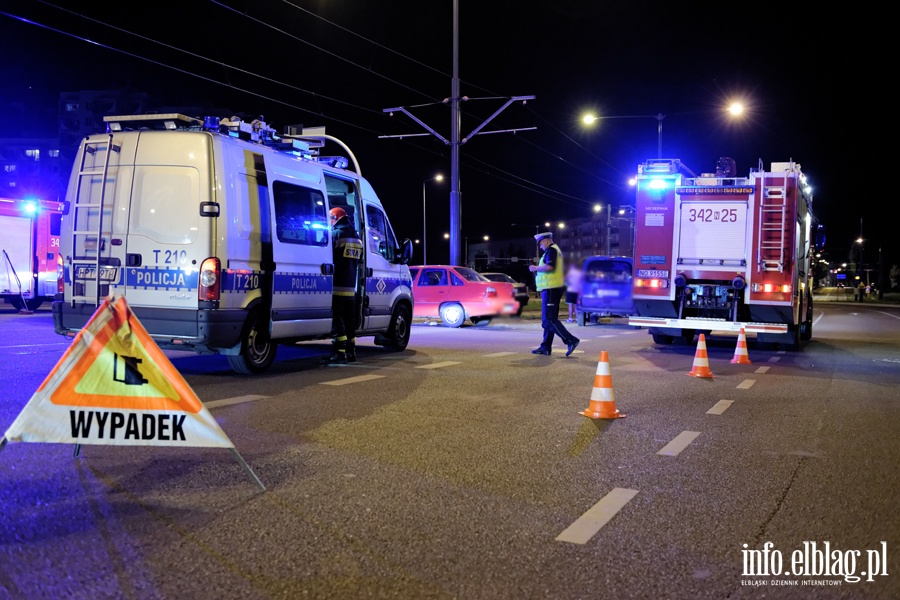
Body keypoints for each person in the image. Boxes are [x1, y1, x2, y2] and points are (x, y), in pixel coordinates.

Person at [528, 232, 580, 356]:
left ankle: (571, 340)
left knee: (549, 320)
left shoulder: (552, 250)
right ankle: (545, 347)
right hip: (552, 288)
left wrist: (535, 268)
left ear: (546, 241)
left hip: (551, 288)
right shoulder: (553, 250)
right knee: (549, 319)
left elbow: (550, 267)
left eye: (540, 243)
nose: (540, 246)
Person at [324, 207, 363, 365]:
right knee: (349, 319)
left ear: (335, 218)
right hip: (350, 286)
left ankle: (339, 351)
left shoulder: (336, 234)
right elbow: (358, 261)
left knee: (337, 319)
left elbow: (327, 256)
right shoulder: (357, 236)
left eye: (331, 219)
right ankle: (351, 351)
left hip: (337, 284)